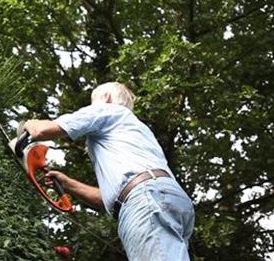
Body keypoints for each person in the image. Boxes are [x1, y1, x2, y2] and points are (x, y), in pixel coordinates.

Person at [23, 82, 194, 261]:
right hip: (167, 201)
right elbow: (111, 198)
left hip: (146, 201)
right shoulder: (134, 132)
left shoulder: (106, 110)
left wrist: (30, 124)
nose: (90, 107)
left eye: (92, 101)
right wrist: (67, 184)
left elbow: (42, 131)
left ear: (106, 97)